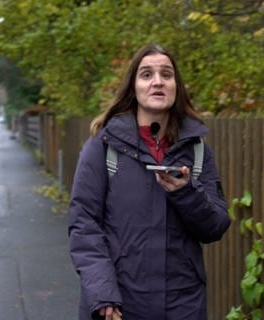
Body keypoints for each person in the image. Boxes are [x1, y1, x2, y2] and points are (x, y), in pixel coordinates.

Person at [68, 43, 231, 320]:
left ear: (176, 86)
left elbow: (215, 227)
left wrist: (187, 194)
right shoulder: (103, 147)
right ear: (133, 87)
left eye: (166, 74)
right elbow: (84, 226)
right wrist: (103, 293)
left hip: (183, 304)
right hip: (119, 302)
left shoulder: (197, 150)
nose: (157, 81)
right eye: (146, 74)